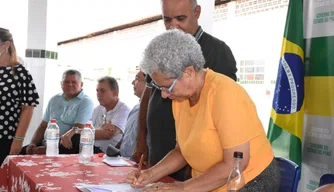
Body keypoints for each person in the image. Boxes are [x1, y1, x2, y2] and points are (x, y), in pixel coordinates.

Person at [126, 29, 280, 192]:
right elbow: (181, 152)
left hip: (249, 182)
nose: (164, 95)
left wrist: (183, 188)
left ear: (189, 72)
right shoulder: (180, 96)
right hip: (209, 183)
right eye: (160, 87)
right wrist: (149, 175)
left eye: (167, 87)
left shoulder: (225, 93)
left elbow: (235, 165)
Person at [133, 0, 237, 181]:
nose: (173, 26)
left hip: (193, 161)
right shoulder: (160, 48)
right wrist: (141, 139)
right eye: (167, 20)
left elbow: (223, 115)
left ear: (196, 13)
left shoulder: (218, 51)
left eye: (180, 18)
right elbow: (148, 93)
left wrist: (195, 166)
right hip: (163, 150)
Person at [21, 69, 94, 155]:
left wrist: (47, 149)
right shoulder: (54, 99)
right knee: (16, 154)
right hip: (44, 143)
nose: (70, 84)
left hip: (65, 146)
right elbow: (43, 125)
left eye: (74, 82)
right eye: (66, 82)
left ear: (81, 84)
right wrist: (33, 143)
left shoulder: (85, 101)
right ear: (61, 84)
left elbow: (77, 130)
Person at [60, 76, 131, 154]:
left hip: (107, 153)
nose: (98, 94)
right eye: (97, 91)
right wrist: (100, 129)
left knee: (75, 137)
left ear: (115, 92)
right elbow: (87, 128)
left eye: (102, 91)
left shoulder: (123, 110)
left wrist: (76, 130)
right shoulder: (99, 109)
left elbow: (108, 134)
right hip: (91, 148)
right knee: (68, 139)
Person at [0, 28, 40, 165]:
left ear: (6, 45)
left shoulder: (19, 73)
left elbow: (28, 107)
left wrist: (19, 139)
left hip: (5, 136)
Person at [119, 71, 146, 159]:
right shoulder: (135, 108)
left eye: (137, 79)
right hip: (123, 161)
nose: (133, 82)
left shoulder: (153, 111)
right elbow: (125, 137)